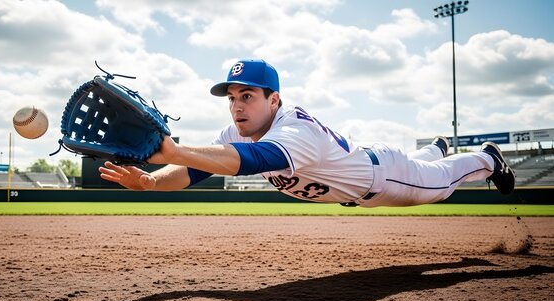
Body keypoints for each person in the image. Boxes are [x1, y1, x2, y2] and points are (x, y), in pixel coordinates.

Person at [99, 59, 515, 207]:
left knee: (440, 186)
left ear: (274, 100)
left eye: (248, 96)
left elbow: (256, 162)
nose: (237, 105)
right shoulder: (235, 131)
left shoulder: (294, 127)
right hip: (358, 181)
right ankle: (435, 148)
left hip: (381, 179)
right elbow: (196, 172)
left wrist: (173, 149)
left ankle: (487, 158)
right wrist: (152, 180)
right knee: (426, 168)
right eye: (231, 97)